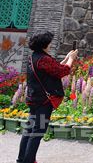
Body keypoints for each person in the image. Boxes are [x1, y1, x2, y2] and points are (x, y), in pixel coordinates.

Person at [17, 32, 77, 163]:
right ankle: (29, 160)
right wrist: (72, 59)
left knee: (30, 129)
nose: (50, 44)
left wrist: (67, 59)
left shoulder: (34, 57)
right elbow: (62, 72)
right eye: (49, 43)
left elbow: (53, 69)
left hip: (34, 99)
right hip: (43, 102)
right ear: (44, 45)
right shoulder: (44, 59)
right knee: (37, 131)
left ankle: (22, 159)